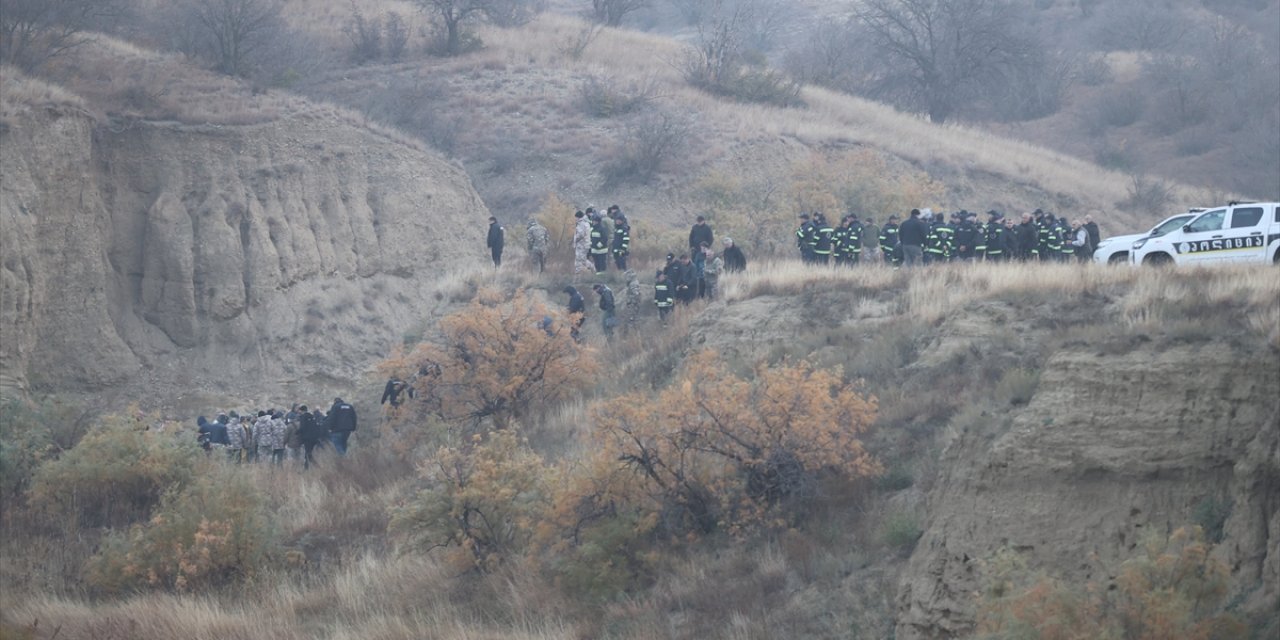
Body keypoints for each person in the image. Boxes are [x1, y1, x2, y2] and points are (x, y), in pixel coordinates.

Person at [296, 405, 323, 470]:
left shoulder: (303, 417)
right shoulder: (312, 416)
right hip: (314, 438)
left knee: (308, 453)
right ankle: (306, 468)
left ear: (301, 410)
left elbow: (303, 427)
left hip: (307, 438)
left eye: (299, 410)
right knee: (308, 453)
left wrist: (297, 432)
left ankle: (317, 467)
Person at [573, 210, 592, 275]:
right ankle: (578, 272)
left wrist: (575, 240)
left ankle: (591, 268)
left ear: (578, 217)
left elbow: (581, 234)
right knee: (581, 258)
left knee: (580, 258)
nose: (575, 219)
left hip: (581, 244)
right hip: (585, 244)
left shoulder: (581, 224)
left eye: (576, 217)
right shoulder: (586, 223)